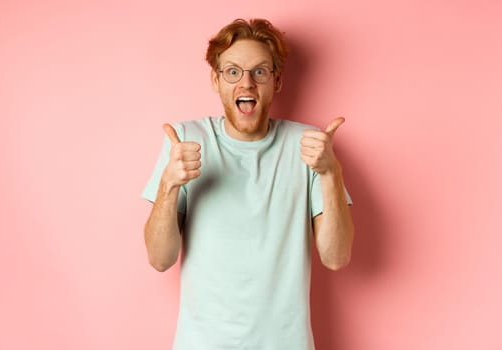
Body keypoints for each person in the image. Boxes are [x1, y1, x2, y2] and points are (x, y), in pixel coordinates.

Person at [142, 18, 354, 350]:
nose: (247, 83)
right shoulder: (185, 141)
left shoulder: (309, 146)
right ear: (216, 79)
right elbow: (159, 258)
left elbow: (336, 257)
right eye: (232, 72)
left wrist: (331, 173)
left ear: (277, 81)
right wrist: (168, 186)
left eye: (259, 72)